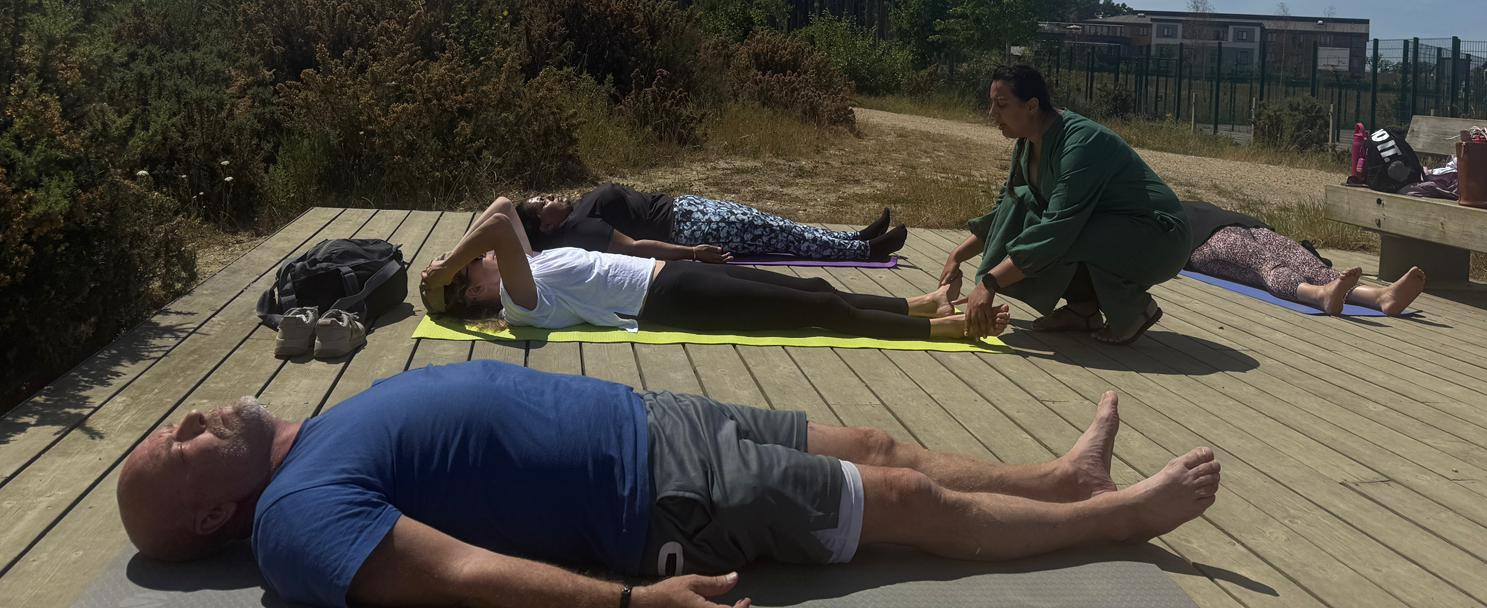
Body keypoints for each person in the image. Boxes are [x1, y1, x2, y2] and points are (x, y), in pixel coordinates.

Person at [116, 363, 1223, 608]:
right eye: (180, 442)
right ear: (214, 513)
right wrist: (628, 606)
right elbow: (453, 577)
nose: (194, 415)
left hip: (654, 420)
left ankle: (1064, 478)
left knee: (882, 445)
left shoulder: (305, 438)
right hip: (661, 495)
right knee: (912, 513)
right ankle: (1125, 518)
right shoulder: (296, 525)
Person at [421, 195, 993, 343]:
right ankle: (938, 326)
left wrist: (450, 269)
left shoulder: (533, 263)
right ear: (475, 295)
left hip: (670, 280)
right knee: (815, 311)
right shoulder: (522, 303)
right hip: (667, 301)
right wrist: (449, 266)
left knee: (815, 287)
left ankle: (917, 304)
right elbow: (495, 231)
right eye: (475, 272)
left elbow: (500, 209)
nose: (486, 259)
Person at [946, 65, 1191, 345]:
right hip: (1108, 229)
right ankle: (1083, 309)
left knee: (1054, 237)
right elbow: (1006, 209)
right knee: (1026, 206)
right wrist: (956, 257)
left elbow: (1057, 230)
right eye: (991, 104)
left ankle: (1134, 309)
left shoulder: (1080, 144)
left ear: (1032, 105)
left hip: (1160, 239)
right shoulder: (1027, 143)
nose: (992, 114)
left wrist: (990, 283)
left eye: (1001, 105)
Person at [521, 182, 906, 262]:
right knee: (781, 235)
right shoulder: (581, 227)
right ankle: (867, 250)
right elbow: (636, 248)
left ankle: (853, 237)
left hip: (687, 209)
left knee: (778, 223)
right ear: (547, 226)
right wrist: (691, 253)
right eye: (544, 202)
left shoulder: (575, 215)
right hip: (691, 228)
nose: (552, 197)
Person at [1180, 200, 1427, 316]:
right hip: (1207, 243)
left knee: (1313, 266)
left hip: (1252, 227)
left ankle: (1381, 297)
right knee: (1266, 265)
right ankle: (1318, 295)